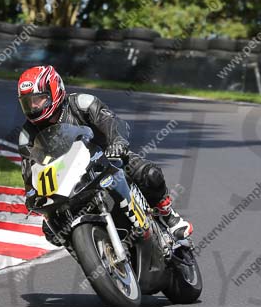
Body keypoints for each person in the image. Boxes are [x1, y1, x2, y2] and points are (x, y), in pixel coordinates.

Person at [16, 64, 192, 246]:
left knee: (148, 174)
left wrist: (118, 143)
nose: (34, 107)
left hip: (107, 160)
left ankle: (168, 215)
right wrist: (32, 195)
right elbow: (29, 172)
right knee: (53, 231)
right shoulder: (27, 135)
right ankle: (93, 257)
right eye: (28, 102)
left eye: (38, 100)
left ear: (55, 91)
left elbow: (112, 122)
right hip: (67, 179)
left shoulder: (82, 103)